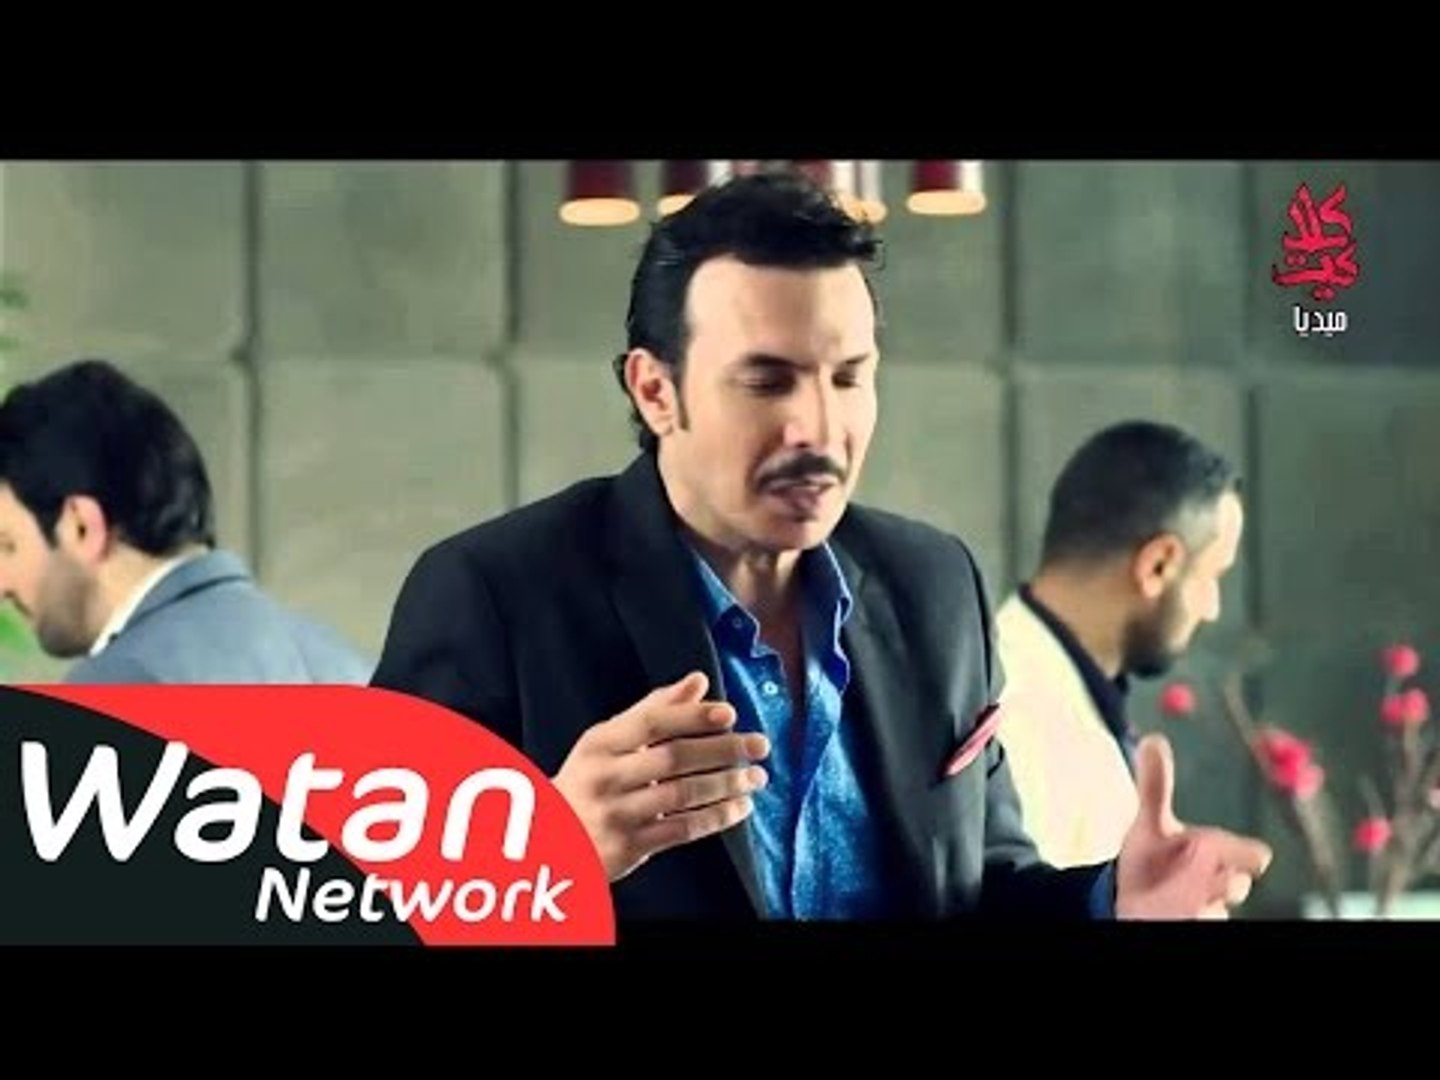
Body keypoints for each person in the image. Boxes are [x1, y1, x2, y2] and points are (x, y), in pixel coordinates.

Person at [371, 168, 1269, 920]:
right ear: (655, 391)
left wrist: (1111, 902)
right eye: (767, 381)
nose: (819, 427)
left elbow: (983, 888)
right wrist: (540, 856)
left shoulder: (936, 587)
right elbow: (356, 908)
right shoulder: (491, 595)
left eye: (848, 377)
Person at [0, 358, 373, 684]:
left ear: (82, 526)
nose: (1, 585)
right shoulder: (349, 668)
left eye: (7, 545)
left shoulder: (118, 688)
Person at [996, 421, 1244, 867]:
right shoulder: (1019, 716)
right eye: (1212, 576)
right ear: (1158, 565)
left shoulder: (1043, 684)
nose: (1212, 608)